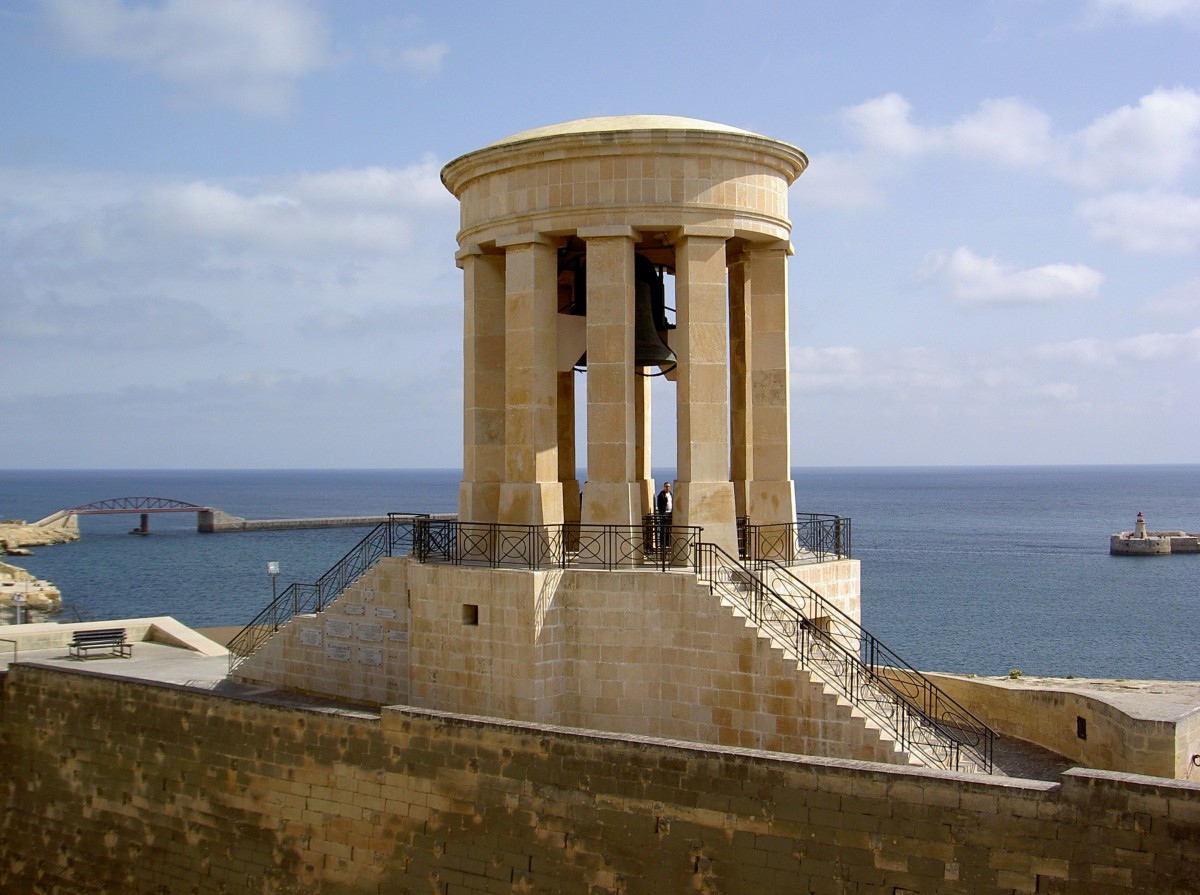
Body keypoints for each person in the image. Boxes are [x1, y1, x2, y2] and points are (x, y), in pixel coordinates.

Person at [655, 482, 673, 556]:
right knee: (663, 529)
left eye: (668, 486)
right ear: (664, 487)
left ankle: (668, 543)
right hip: (664, 514)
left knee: (669, 529)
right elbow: (659, 505)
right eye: (666, 486)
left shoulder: (671, 494)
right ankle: (663, 543)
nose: (667, 488)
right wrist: (662, 513)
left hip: (670, 513)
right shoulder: (661, 495)